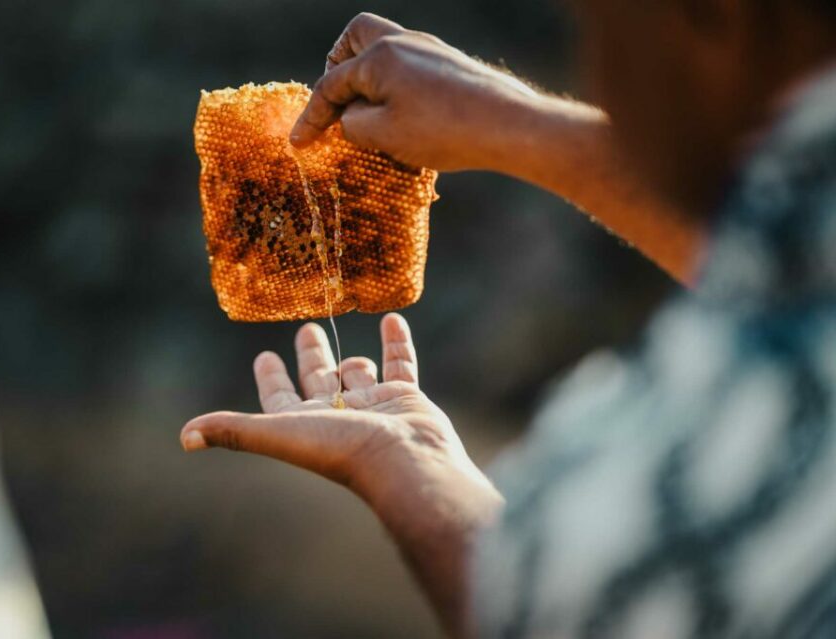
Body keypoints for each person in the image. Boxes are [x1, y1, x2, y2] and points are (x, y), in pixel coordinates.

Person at [181, 2, 836, 637]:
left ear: (713, 14)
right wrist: (504, 120)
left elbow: (566, 598)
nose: (591, 52)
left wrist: (413, 484)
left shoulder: (705, 473)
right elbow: (775, 255)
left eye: (589, 15)